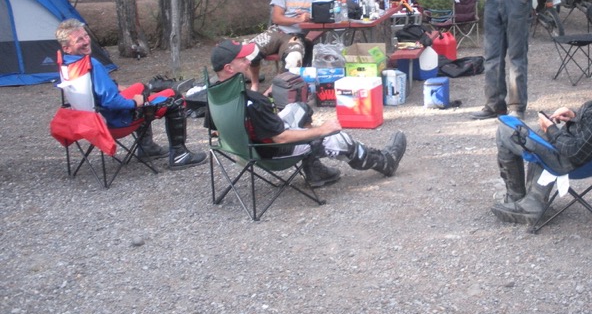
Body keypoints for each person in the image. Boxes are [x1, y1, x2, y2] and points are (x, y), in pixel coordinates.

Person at [491, 39, 592, 224]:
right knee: (537, 133)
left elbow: (575, 152)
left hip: (570, 161)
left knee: (506, 130)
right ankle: (533, 199)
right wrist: (575, 117)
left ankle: (518, 199)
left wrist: (552, 129)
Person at [210, 39, 407, 187]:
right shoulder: (253, 102)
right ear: (229, 67)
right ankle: (384, 162)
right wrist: (321, 130)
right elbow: (281, 138)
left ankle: (315, 171)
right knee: (337, 138)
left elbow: (215, 130)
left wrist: (253, 121)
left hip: (245, 149)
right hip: (273, 153)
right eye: (242, 59)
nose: (248, 61)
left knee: (300, 108)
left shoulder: (215, 94)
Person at [55, 19, 206, 169]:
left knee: (140, 87)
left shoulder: (67, 65)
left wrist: (119, 88)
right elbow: (112, 102)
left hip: (89, 121)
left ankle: (147, 147)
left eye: (85, 36)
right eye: (79, 40)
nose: (86, 41)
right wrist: (135, 103)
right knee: (175, 97)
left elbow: (93, 88)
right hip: (116, 122)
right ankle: (179, 155)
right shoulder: (91, 64)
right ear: (67, 48)